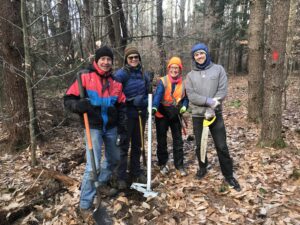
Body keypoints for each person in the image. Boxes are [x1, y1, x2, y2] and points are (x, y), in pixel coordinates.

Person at [64, 46, 127, 214]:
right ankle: (85, 204)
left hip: (111, 127)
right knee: (93, 165)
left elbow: (121, 105)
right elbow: (68, 99)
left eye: (109, 59)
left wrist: (122, 126)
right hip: (93, 126)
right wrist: (78, 105)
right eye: (103, 59)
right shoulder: (84, 77)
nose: (106, 62)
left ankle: (100, 182)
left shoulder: (115, 82)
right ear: (97, 61)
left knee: (114, 158)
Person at [185, 43, 241, 191]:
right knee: (200, 145)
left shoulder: (218, 70)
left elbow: (222, 90)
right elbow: (191, 95)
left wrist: (213, 105)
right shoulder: (190, 76)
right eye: (196, 55)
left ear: (207, 53)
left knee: (221, 145)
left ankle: (229, 175)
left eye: (201, 53)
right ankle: (202, 167)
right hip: (198, 115)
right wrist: (207, 102)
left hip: (215, 114)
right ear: (194, 58)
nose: (199, 56)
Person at [114, 46, 150, 189]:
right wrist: (130, 101)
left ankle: (136, 171)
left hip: (140, 115)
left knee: (137, 145)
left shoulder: (144, 74)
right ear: (126, 60)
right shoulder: (121, 75)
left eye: (136, 57)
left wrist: (145, 102)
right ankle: (121, 176)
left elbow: (149, 94)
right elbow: (115, 95)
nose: (134, 59)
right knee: (123, 146)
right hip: (126, 116)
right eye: (131, 58)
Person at [152, 56, 188, 177]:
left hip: (175, 113)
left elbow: (185, 99)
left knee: (178, 140)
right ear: (169, 68)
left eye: (176, 68)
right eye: (172, 67)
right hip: (161, 112)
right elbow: (157, 95)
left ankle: (179, 165)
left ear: (180, 69)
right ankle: (162, 163)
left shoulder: (184, 83)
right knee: (161, 140)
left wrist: (184, 107)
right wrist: (154, 107)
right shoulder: (163, 81)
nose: (174, 70)